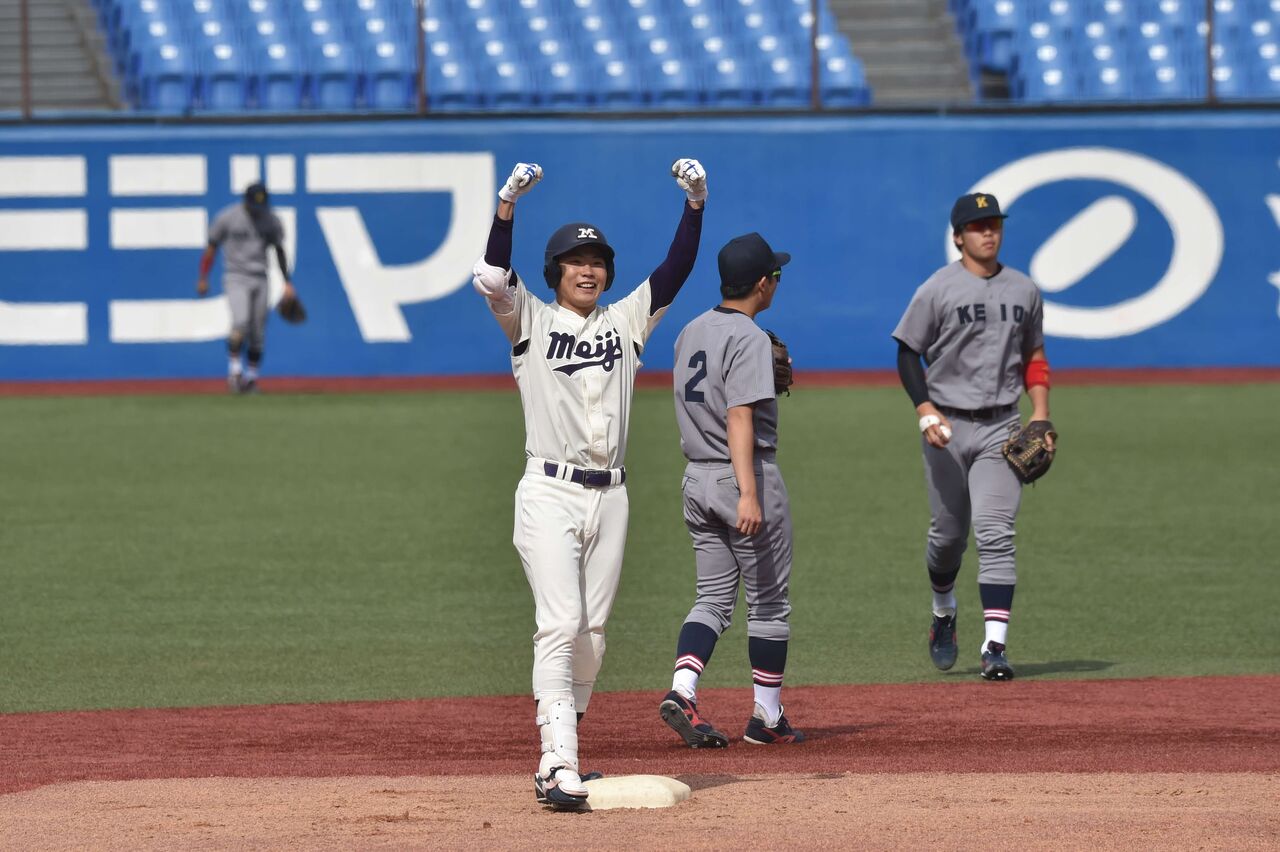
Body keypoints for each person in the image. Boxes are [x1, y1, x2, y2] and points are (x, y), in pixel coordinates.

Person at [471, 158, 707, 808]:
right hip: (548, 492)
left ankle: (564, 746)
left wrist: (695, 206)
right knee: (562, 623)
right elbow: (492, 275)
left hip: (612, 496)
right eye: (576, 260)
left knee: (594, 635)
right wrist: (505, 209)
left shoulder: (624, 322)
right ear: (555, 273)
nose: (588, 267)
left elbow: (674, 274)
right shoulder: (530, 323)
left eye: (597, 259)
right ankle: (557, 763)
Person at [891, 192, 1056, 681]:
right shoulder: (937, 289)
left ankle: (994, 648)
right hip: (946, 425)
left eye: (995, 224)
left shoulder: (1024, 290)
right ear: (959, 236)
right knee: (947, 538)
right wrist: (923, 409)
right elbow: (906, 352)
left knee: (995, 532)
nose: (989, 232)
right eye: (978, 225)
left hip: (1002, 427)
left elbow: (1035, 356)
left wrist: (1041, 416)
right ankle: (944, 610)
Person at [659, 232, 804, 749]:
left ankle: (684, 688)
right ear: (764, 283)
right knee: (768, 604)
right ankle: (766, 717)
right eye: (777, 275)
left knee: (713, 599)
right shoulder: (749, 339)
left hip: (695, 478)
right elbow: (740, 416)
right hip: (741, 474)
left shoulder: (690, 330)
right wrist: (747, 491)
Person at [197, 182, 296, 394]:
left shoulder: (270, 220)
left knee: (258, 334)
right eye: (253, 204)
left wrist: (287, 282)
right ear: (245, 200)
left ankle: (251, 380)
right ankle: (234, 373)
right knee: (240, 322)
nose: (257, 209)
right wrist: (203, 276)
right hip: (236, 276)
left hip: (261, 277)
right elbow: (211, 247)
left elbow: (279, 251)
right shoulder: (228, 217)